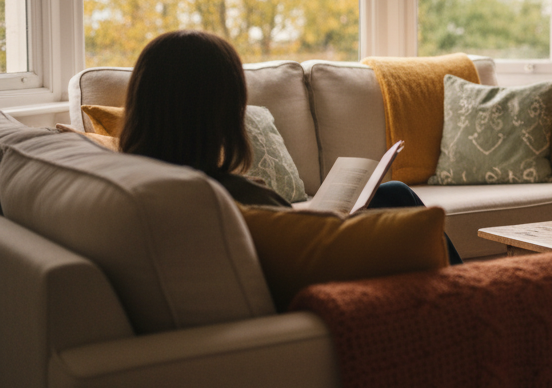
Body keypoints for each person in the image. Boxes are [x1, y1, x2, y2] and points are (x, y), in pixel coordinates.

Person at [119, 29, 463, 264]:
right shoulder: (236, 196)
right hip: (322, 271)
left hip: (298, 245)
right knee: (401, 199)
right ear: (220, 112)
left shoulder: (135, 183)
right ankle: (467, 291)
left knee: (392, 192)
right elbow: (303, 249)